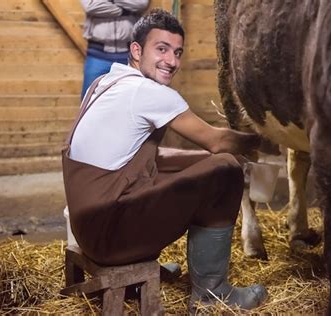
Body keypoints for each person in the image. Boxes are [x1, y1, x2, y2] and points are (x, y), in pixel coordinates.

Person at [62, 8, 268, 312]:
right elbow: (216, 140)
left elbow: (144, 157)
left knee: (209, 165)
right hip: (111, 236)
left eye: (177, 52)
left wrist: (200, 161)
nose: (171, 61)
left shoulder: (104, 84)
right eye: (161, 49)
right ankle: (211, 294)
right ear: (136, 50)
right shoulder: (148, 93)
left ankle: (146, 265)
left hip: (88, 229)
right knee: (225, 169)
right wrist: (268, 139)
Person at [79, 0, 150, 98]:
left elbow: (140, 3)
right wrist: (125, 11)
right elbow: (90, 6)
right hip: (98, 55)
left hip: (129, 55)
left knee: (132, 98)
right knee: (89, 99)